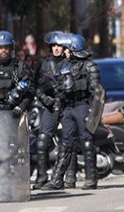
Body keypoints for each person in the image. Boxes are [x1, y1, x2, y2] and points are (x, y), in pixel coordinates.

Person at [43, 34, 102, 191]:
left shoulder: (89, 66)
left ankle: (91, 178)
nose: (65, 51)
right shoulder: (64, 66)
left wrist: (93, 113)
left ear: (73, 49)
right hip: (68, 108)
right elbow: (59, 88)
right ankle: (57, 179)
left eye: (67, 49)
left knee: (87, 141)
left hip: (82, 106)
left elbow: (97, 92)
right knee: (66, 143)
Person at [32, 31, 69, 188]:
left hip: (67, 105)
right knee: (42, 141)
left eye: (59, 45)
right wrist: (43, 98)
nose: (56, 48)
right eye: (53, 45)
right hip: (49, 106)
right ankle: (42, 176)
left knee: (68, 141)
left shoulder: (70, 63)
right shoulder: (44, 63)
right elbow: (35, 85)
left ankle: (69, 177)